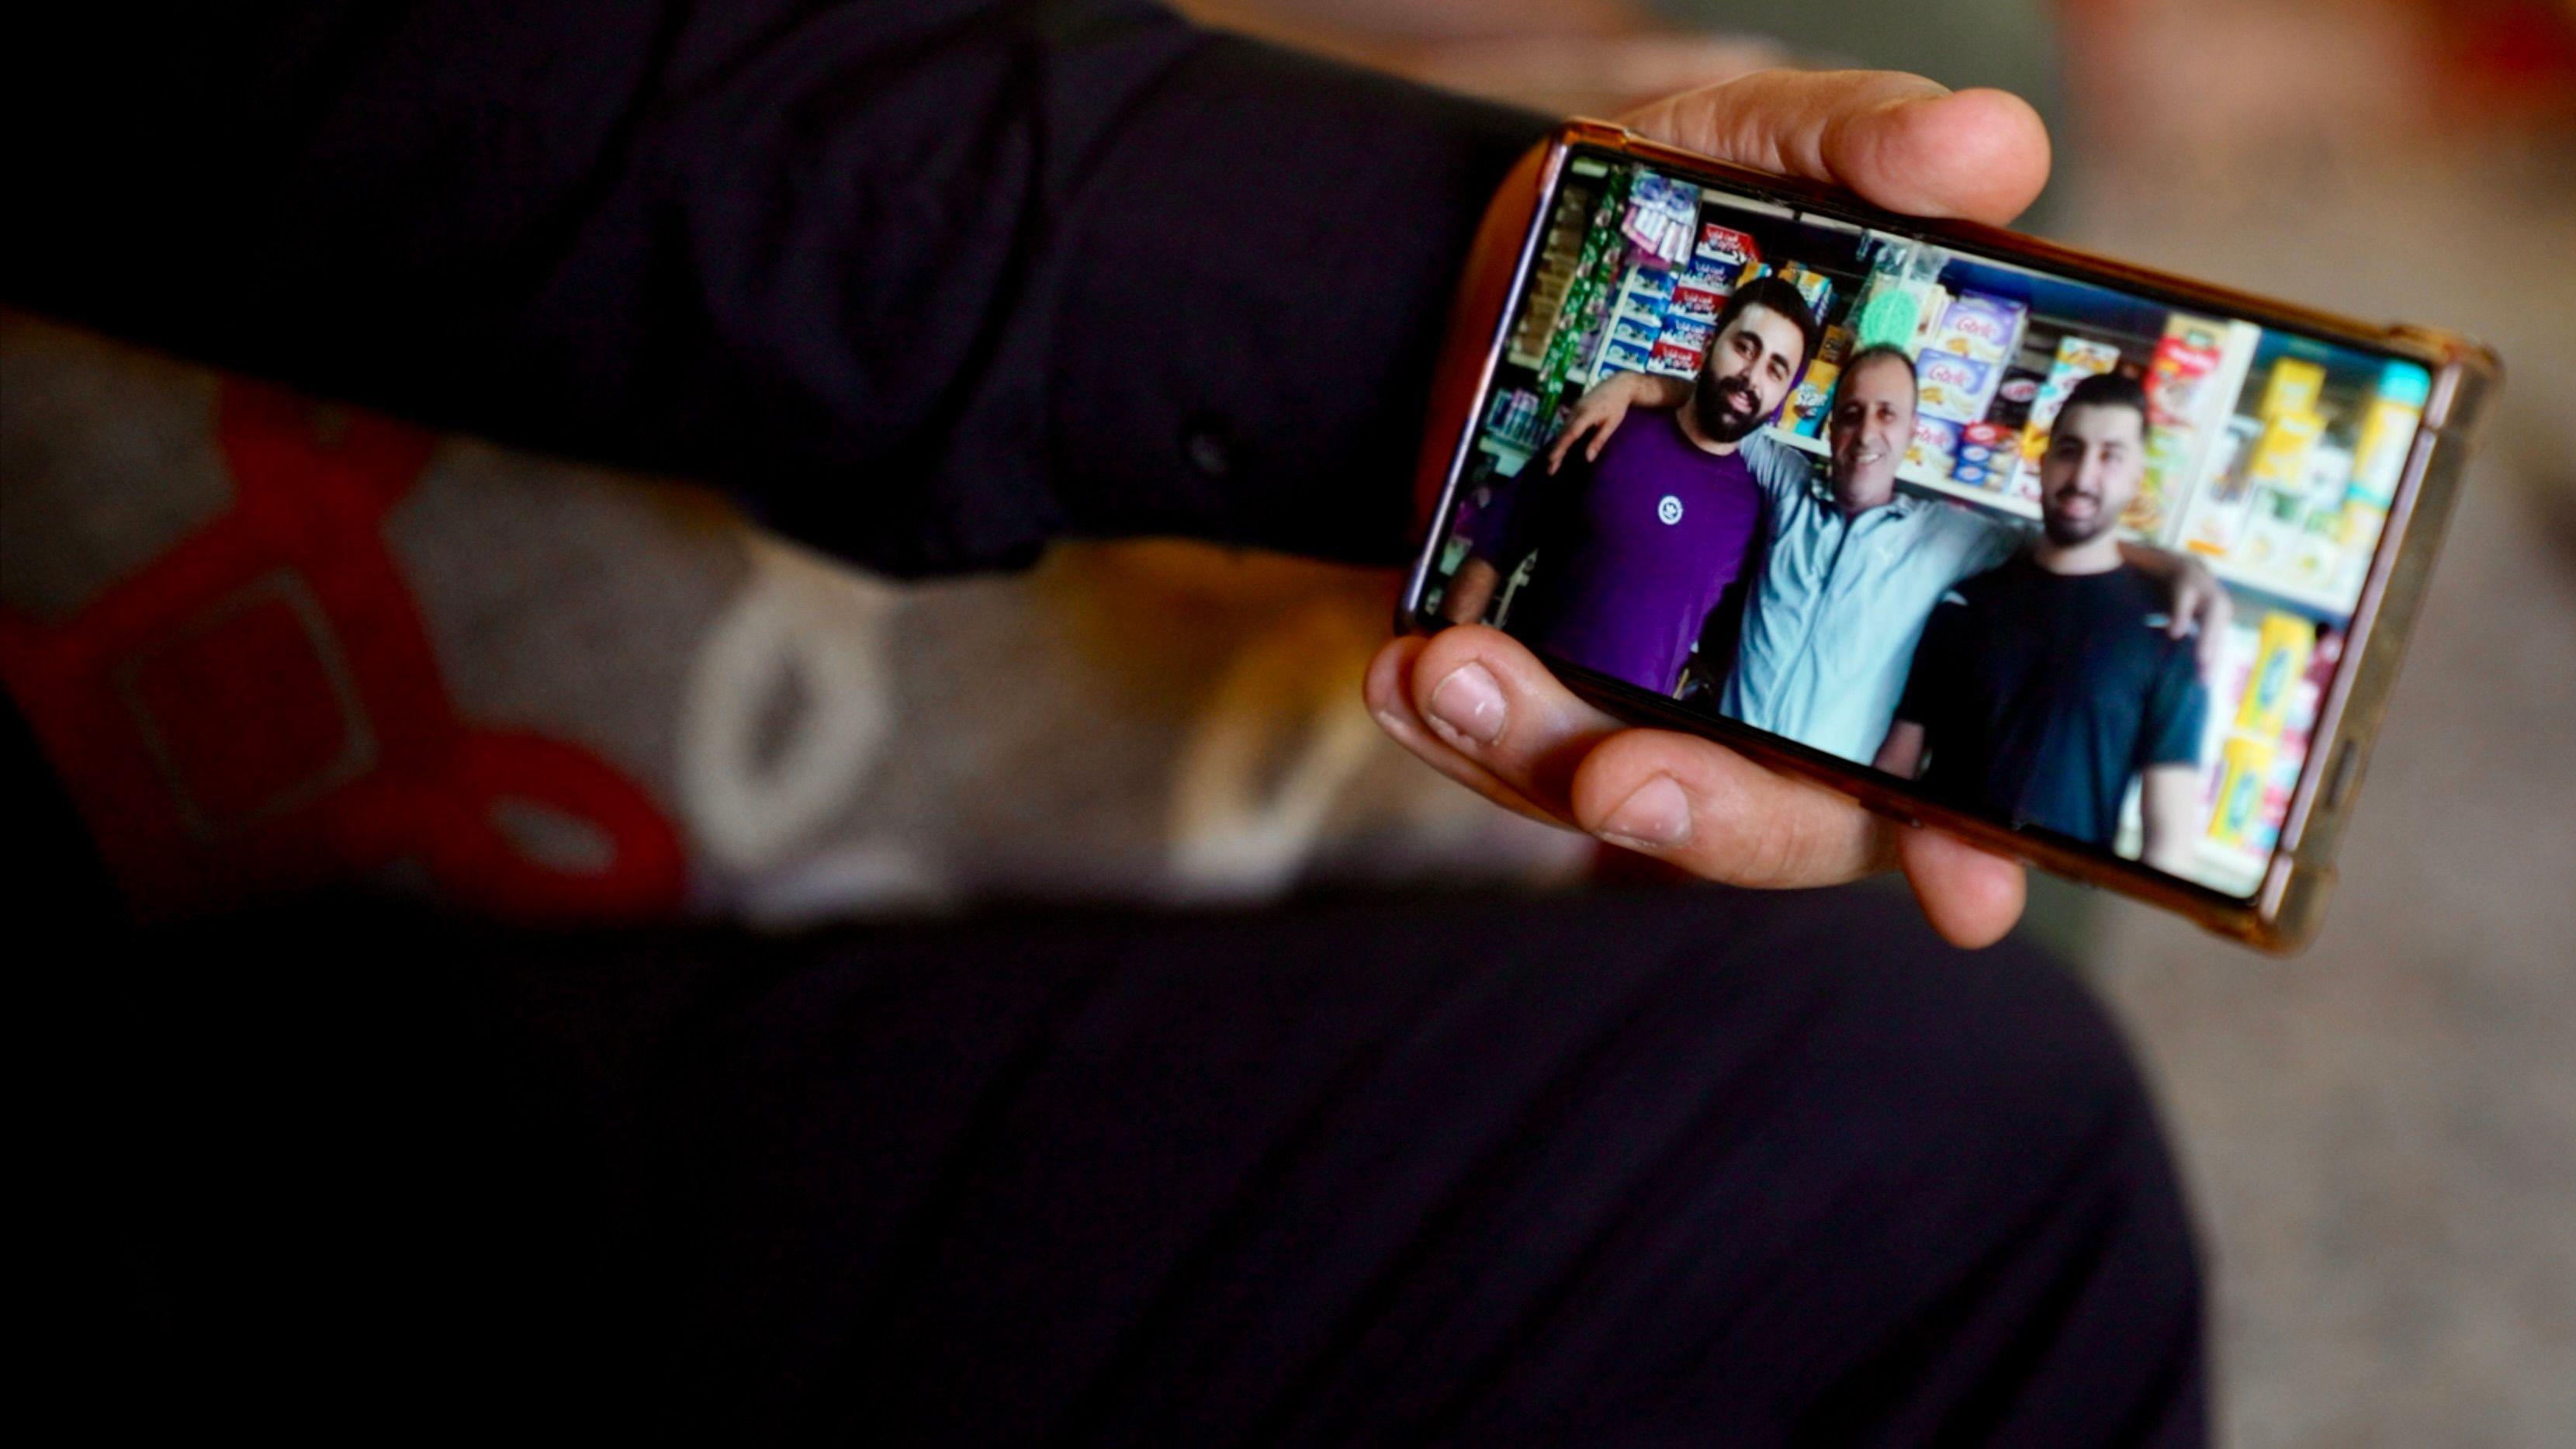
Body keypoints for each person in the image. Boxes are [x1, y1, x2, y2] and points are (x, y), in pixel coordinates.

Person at [11, 5, 2205, 1440]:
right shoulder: (1704, 443)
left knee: (1955, 1122)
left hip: (237, 1142)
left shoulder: (1908, 524)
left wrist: (1422, 282)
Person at [1537, 345, 2230, 764]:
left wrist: (2181, 569)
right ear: (1832, 424)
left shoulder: (1948, 537)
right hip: (1714, 753)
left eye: (1888, 414)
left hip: (1824, 797)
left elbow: (2070, 537)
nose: (1867, 431)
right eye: (1853, 412)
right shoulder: (1785, 483)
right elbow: (1718, 405)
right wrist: (1630, 385)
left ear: (1912, 434)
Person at [1875, 373, 2212, 875]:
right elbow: (1895, 770)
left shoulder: (2167, 634)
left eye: (2110, 456)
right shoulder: (1966, 603)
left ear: (2137, 477)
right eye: (2070, 450)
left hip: (2060, 910)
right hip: (1936, 887)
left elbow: (2168, 842)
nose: (2083, 475)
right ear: (2044, 459)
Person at [1435, 276, 1816, 699]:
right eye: (1745, 347)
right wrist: (1446, 676)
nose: (1751, 376)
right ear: (1710, 344)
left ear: (1782, 395)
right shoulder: (1608, 429)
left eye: (1775, 369)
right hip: (1515, 699)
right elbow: (1492, 551)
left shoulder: (1753, 511)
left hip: (1617, 742)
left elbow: (1717, 657)